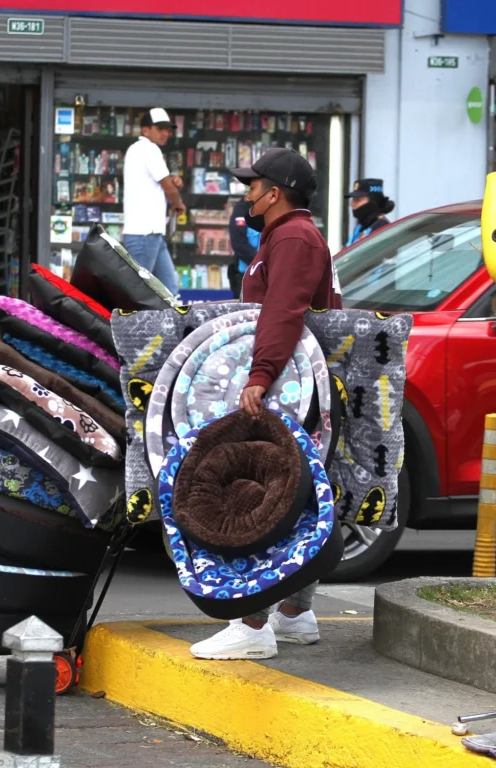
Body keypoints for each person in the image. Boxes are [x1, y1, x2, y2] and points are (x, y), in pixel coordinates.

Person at [188, 147, 342, 661]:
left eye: (253, 185)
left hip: (286, 384)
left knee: (271, 496)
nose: (247, 192)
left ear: (275, 193)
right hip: (290, 379)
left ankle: (253, 625)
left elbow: (283, 312)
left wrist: (260, 375)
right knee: (300, 495)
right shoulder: (284, 235)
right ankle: (296, 614)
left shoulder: (293, 237)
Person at [122, 107, 183, 296]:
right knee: (139, 293)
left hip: (151, 233)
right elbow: (166, 185)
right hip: (144, 234)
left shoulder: (139, 150)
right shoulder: (147, 148)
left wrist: (172, 183)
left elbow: (159, 183)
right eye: (160, 128)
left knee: (168, 291)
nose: (166, 133)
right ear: (146, 130)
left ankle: (172, 326)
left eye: (168, 129)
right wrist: (178, 203)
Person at [227, 197, 261, 299]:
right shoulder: (243, 208)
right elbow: (239, 244)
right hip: (246, 276)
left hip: (272, 277)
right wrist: (262, 265)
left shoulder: (276, 208)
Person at [345, 178, 394, 246]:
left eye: (358, 200)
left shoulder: (381, 228)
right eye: (353, 200)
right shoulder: (360, 227)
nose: (352, 204)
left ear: (373, 201)